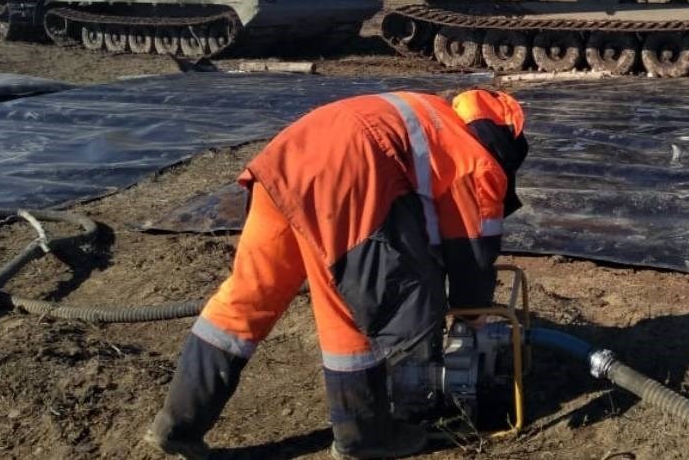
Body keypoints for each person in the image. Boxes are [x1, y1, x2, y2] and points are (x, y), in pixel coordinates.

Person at [144, 88, 529, 460]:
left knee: (246, 298)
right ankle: (364, 437)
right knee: (365, 307)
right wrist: (472, 319)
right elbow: (473, 255)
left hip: (283, 164)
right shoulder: (478, 161)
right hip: (347, 180)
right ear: (506, 145)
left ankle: (177, 425)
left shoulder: (431, 110)